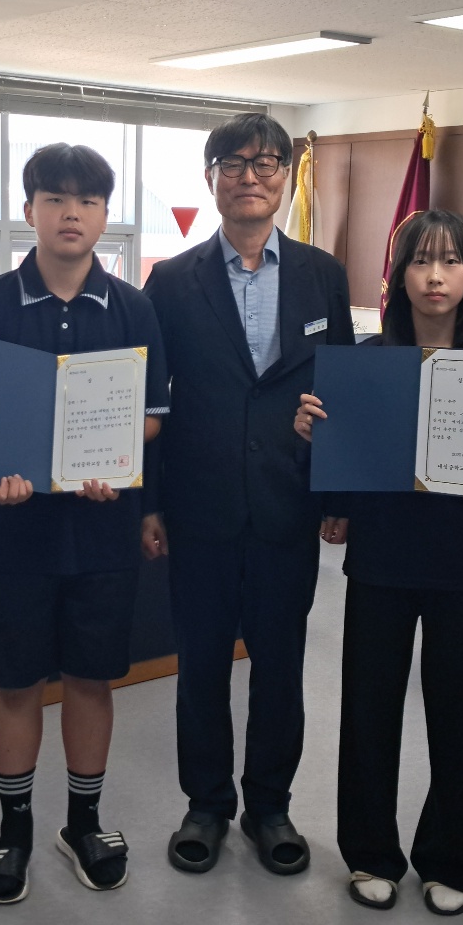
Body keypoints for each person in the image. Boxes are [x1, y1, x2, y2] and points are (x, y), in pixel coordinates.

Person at [294, 209, 463, 914]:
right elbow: (346, 459)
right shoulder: (366, 362)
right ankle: (370, 852)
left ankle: (449, 856)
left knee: (462, 716)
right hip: (383, 557)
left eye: (451, 261)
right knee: (369, 709)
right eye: (421, 261)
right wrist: (315, 435)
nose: (436, 276)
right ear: (398, 275)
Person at [0, 143, 168, 904]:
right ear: (29, 211)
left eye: (87, 200)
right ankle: (13, 830)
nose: (70, 213)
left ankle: (83, 823)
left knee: (90, 677)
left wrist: (112, 458)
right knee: (15, 682)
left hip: (102, 527)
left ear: (105, 215)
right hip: (13, 530)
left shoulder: (135, 307)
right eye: (54, 198)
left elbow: (152, 418)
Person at [142, 112, 355, 877]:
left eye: (267, 163)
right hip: (198, 507)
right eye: (233, 163)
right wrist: (149, 503)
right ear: (211, 179)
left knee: (280, 666)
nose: (251, 176)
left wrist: (338, 494)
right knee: (200, 667)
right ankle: (205, 805)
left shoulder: (323, 275)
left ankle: (270, 805)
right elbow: (151, 401)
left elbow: (342, 388)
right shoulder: (172, 281)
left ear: (286, 178)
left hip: (286, 503)